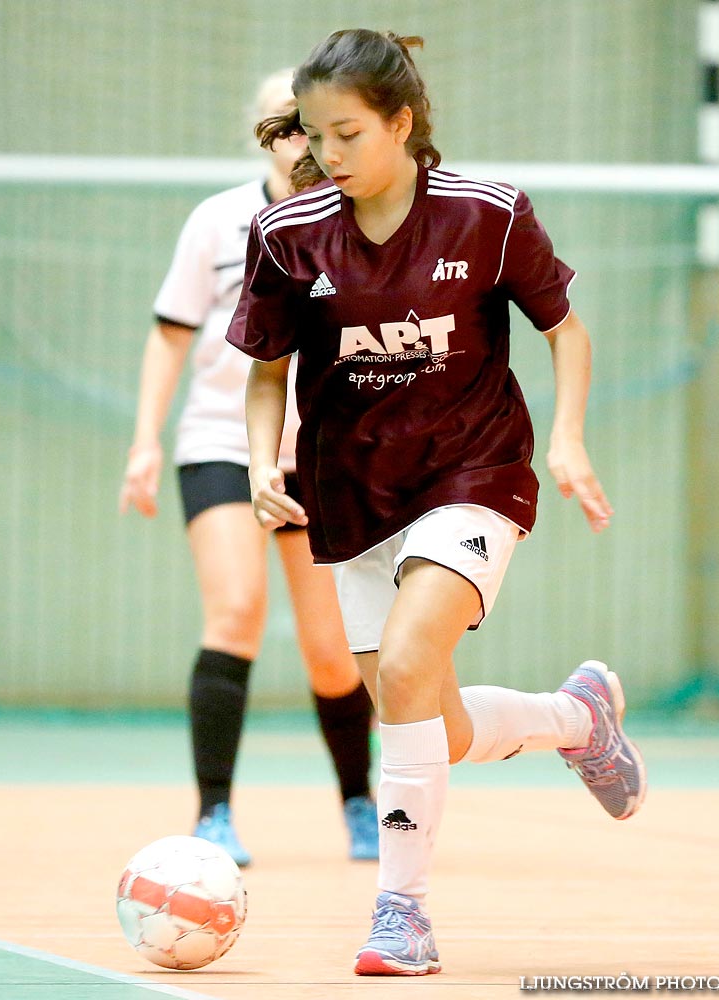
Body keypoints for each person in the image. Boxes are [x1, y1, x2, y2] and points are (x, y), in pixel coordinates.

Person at [227, 30, 647, 975]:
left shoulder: (486, 216)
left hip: (472, 471)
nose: (327, 157)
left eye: (346, 135)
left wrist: (570, 437)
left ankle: (400, 913)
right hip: (347, 494)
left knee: (414, 657)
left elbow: (565, 333)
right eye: (315, 137)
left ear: (401, 123)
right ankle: (576, 719)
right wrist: (263, 461)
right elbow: (264, 373)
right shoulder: (288, 233)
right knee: (424, 716)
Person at [119, 69, 378, 868]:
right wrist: (144, 441)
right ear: (261, 133)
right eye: (283, 123)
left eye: (313, 122)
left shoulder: (356, 219)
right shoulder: (217, 222)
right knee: (233, 610)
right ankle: (214, 816)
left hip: (320, 456)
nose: (301, 136)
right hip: (222, 444)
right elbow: (169, 335)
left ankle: (360, 802)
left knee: (332, 650)